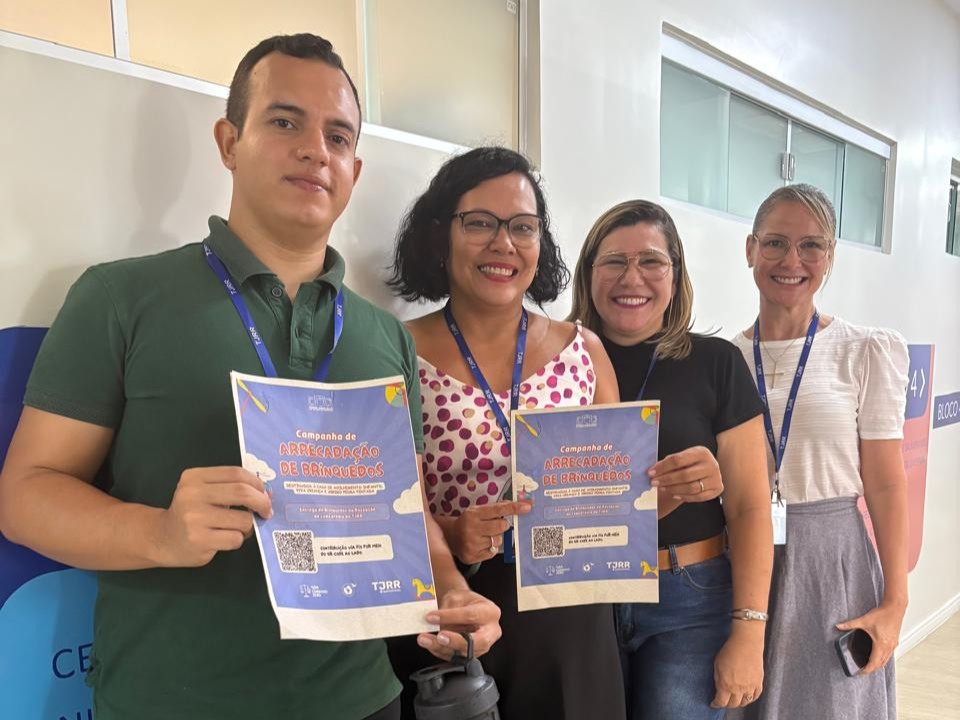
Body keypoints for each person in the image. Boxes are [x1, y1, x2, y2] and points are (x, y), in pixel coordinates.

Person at [0, 34, 500, 720]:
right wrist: (160, 535)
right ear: (229, 141)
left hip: (363, 699)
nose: (314, 150)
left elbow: (405, 508)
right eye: (285, 121)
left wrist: (448, 586)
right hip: (173, 703)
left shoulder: (384, 335)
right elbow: (25, 496)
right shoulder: (122, 298)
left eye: (338, 135)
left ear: (355, 168)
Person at [386, 146, 626, 719]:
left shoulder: (583, 350)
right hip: (453, 620)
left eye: (523, 227)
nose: (504, 244)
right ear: (440, 234)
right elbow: (387, 509)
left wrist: (660, 491)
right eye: (480, 224)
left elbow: (615, 502)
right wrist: (451, 533)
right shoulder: (397, 350)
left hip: (571, 624)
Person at [568, 199, 773, 719]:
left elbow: (750, 507)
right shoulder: (556, 364)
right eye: (613, 260)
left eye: (652, 261)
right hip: (581, 596)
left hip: (689, 598)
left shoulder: (717, 363)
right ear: (588, 273)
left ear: (676, 274)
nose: (631, 277)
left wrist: (749, 633)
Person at [729, 184, 908, 720]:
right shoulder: (723, 358)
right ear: (750, 250)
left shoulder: (864, 350)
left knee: (832, 703)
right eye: (776, 243)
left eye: (812, 246)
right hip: (741, 553)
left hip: (834, 563)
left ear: (830, 257)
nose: (792, 261)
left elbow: (885, 482)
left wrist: (895, 601)